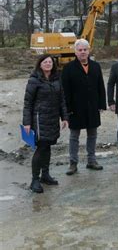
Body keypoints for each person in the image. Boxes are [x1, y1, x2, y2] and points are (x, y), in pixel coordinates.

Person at [22, 55, 69, 193]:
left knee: (48, 146)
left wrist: (64, 117)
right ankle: (34, 180)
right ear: (40, 64)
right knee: (41, 147)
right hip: (39, 119)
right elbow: (28, 103)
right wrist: (27, 123)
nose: (48, 64)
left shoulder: (56, 79)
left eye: (50, 62)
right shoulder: (34, 80)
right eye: (45, 62)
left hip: (52, 118)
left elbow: (62, 100)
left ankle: (45, 175)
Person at [61, 38, 106, 175]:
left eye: (85, 49)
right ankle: (73, 163)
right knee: (74, 136)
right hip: (75, 108)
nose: (82, 52)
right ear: (75, 52)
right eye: (80, 50)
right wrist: (66, 111)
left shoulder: (96, 66)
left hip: (92, 107)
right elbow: (65, 91)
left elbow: (100, 87)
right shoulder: (68, 69)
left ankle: (91, 161)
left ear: (89, 50)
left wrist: (101, 105)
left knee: (92, 134)